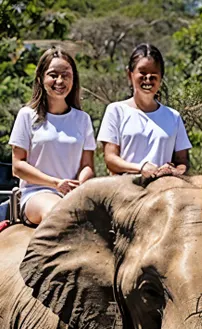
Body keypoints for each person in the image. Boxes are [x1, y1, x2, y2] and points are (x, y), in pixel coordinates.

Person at [9, 47, 96, 226]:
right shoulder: (27, 115)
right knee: (58, 213)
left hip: (74, 195)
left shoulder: (83, 119)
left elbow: (87, 165)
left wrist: (77, 186)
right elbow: (18, 166)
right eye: (53, 75)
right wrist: (56, 183)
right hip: (36, 194)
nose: (60, 80)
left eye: (66, 75)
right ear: (41, 78)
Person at [98, 43, 191, 179]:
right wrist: (141, 168)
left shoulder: (173, 117)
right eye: (142, 72)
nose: (148, 78)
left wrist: (174, 171)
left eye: (154, 74)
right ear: (130, 74)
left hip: (163, 191)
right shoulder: (116, 111)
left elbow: (182, 161)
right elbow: (110, 159)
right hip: (126, 189)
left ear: (161, 78)